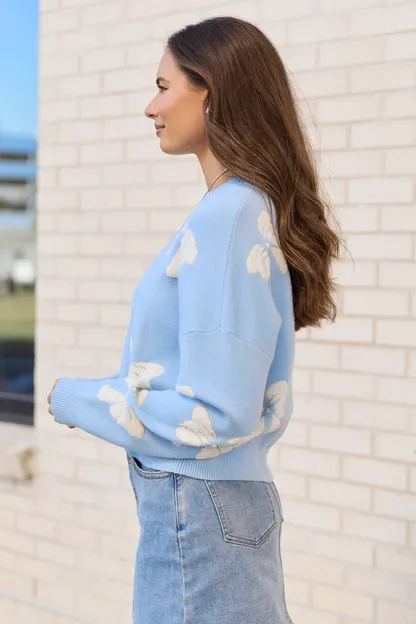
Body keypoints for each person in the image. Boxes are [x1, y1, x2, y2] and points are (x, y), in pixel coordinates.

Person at [48, 16, 341, 624]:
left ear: (212, 92)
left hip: (199, 509)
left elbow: (219, 410)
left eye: (164, 86)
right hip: (216, 508)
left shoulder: (228, 214)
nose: (150, 106)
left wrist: (76, 398)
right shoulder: (241, 209)